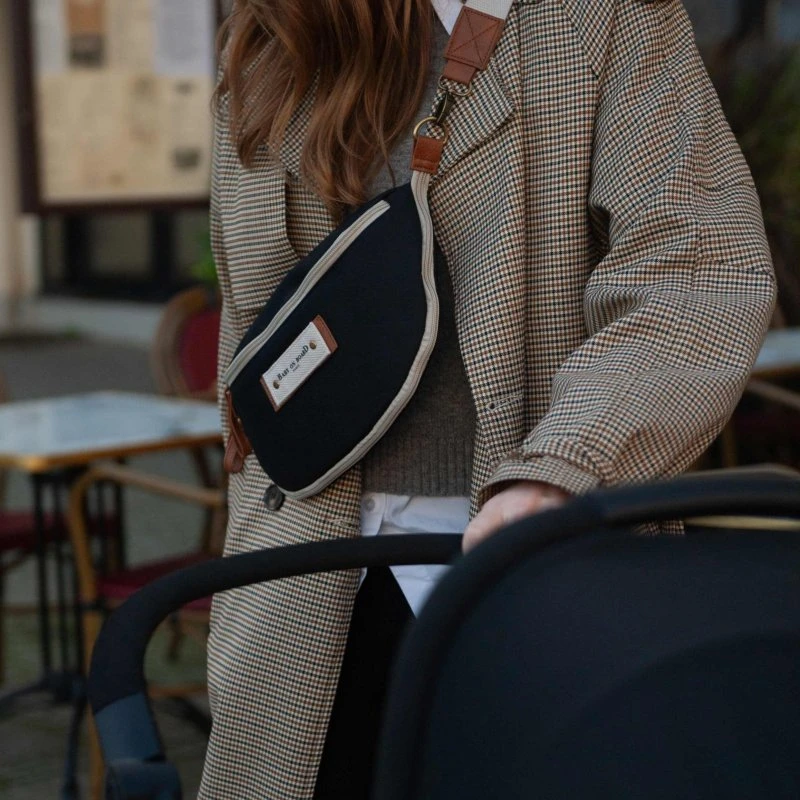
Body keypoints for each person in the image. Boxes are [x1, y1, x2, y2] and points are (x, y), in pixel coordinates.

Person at [201, 0, 776, 797]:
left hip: (539, 566)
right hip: (300, 587)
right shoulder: (277, 29)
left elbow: (699, 271)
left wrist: (561, 467)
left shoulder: (596, 17)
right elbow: (257, 327)